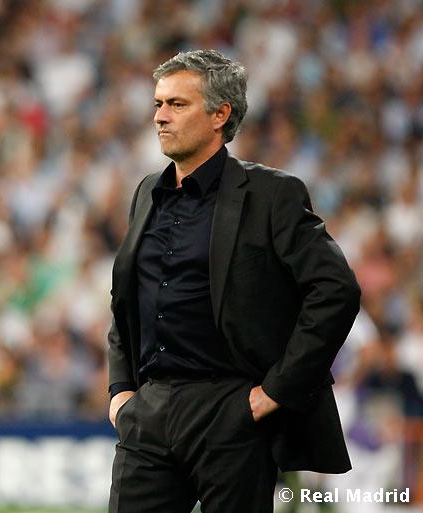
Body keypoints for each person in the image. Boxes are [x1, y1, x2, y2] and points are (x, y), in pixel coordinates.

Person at [106, 50, 361, 513]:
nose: (160, 116)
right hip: (149, 409)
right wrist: (120, 391)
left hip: (231, 408)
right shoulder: (146, 193)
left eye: (177, 104)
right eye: (158, 104)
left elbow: (336, 291)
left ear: (220, 114)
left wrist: (276, 390)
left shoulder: (271, 194)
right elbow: (126, 298)